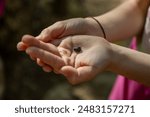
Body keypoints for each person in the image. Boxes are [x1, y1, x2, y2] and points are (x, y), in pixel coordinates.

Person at [17, 0, 150, 99]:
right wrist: (94, 26)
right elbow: (139, 8)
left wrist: (115, 57)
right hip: (131, 80)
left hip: (131, 65)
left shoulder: (116, 57)